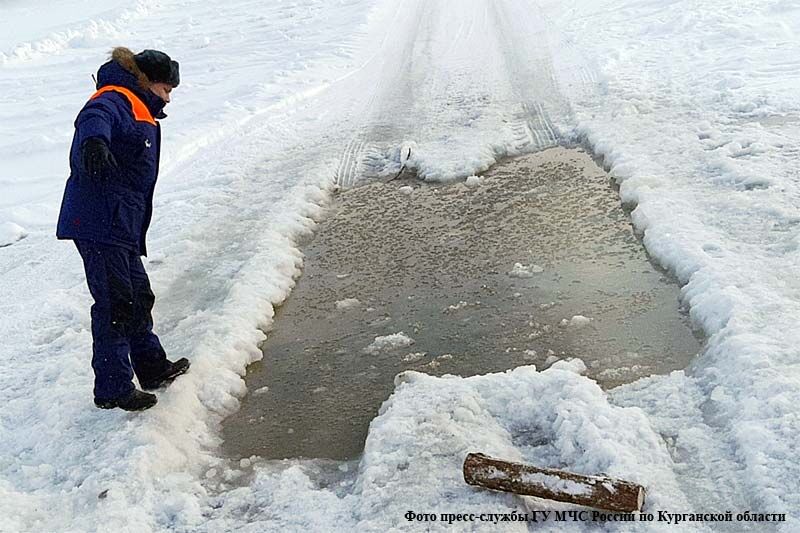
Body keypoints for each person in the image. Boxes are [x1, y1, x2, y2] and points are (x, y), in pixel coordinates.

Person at [57, 47, 189, 411]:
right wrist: (94, 143)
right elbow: (95, 116)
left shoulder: (140, 108)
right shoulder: (117, 96)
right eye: (166, 89)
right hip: (99, 222)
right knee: (116, 302)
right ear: (149, 81)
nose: (168, 98)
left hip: (120, 225)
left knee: (138, 296)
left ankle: (151, 366)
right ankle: (113, 388)